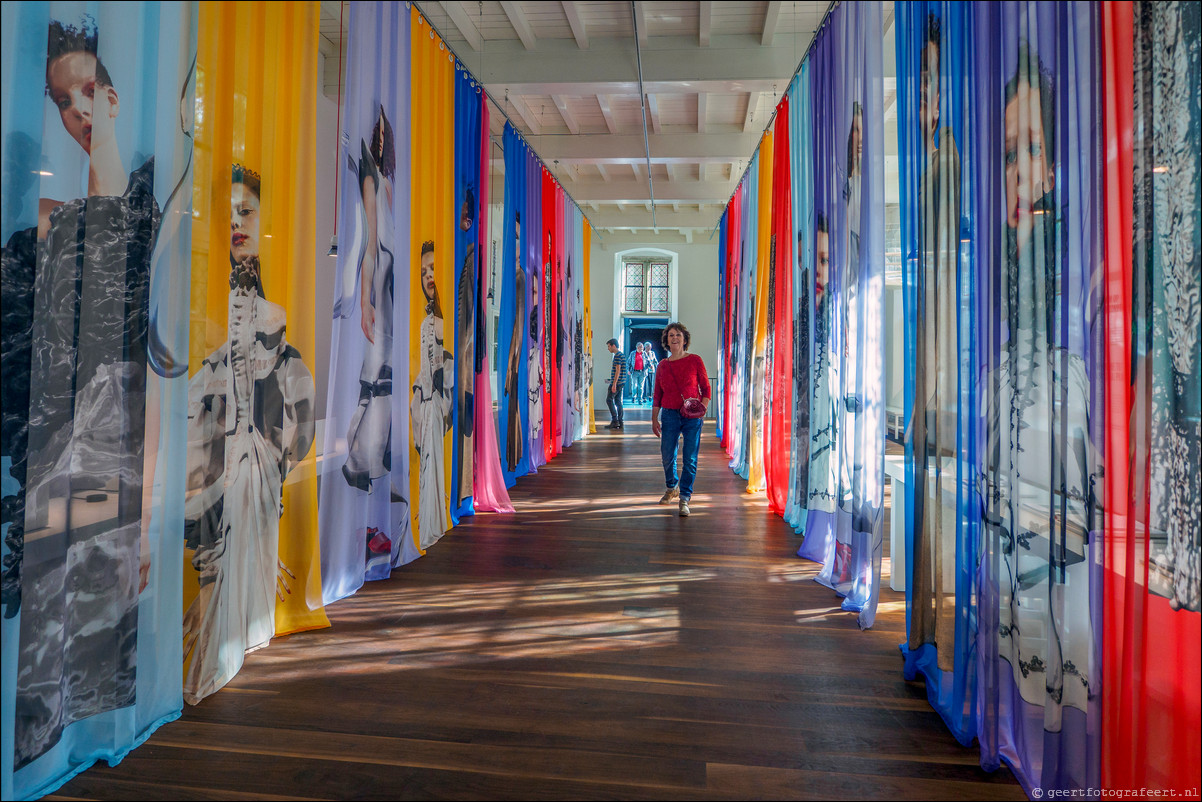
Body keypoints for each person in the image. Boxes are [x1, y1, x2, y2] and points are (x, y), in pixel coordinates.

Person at [4, 15, 171, 766]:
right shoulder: (39, 233)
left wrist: (143, 510)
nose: (77, 111)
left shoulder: (147, 214)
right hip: (50, 471)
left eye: (89, 92)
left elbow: (145, 373)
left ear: (110, 96)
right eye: (61, 100)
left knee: (91, 634)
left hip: (107, 474)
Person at [182, 164, 317, 705]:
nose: (237, 223)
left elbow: (295, 430)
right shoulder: (212, 329)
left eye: (248, 211)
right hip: (225, 472)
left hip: (255, 471)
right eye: (230, 214)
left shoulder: (275, 330)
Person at [342, 108, 396, 497]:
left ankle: (373, 460)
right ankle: (359, 460)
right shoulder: (371, 183)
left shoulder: (387, 184)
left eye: (382, 136)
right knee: (374, 374)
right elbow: (371, 250)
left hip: (393, 278)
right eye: (375, 136)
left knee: (383, 373)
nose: (379, 142)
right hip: (381, 280)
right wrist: (365, 301)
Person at [411, 240, 453, 549]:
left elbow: (443, 364)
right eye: (424, 270)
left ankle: (433, 520)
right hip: (424, 405)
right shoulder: (425, 321)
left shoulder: (440, 321)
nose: (428, 276)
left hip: (435, 405)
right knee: (426, 468)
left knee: (433, 464)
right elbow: (423, 367)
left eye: (434, 269)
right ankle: (427, 520)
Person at [650, 322, 710, 517]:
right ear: (666, 341)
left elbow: (706, 389)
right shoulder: (662, 365)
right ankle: (671, 486)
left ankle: (685, 497)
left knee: (690, 458)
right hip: (669, 414)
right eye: (670, 335)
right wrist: (654, 419)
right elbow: (657, 394)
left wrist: (702, 409)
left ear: (685, 339)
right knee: (667, 454)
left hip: (691, 416)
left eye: (678, 335)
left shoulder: (695, 360)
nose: (674, 338)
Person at [503, 213, 525, 471]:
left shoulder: (519, 279)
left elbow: (519, 326)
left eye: (518, 238)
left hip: (515, 356)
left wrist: (510, 362)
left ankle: (513, 455)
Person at [605, 338, 626, 429]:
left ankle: (615, 421)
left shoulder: (617, 356)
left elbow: (618, 370)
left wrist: (614, 384)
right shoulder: (622, 355)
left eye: (609, 346)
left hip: (617, 383)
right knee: (617, 401)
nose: (608, 348)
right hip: (622, 382)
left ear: (613, 345)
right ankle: (620, 421)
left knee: (609, 400)